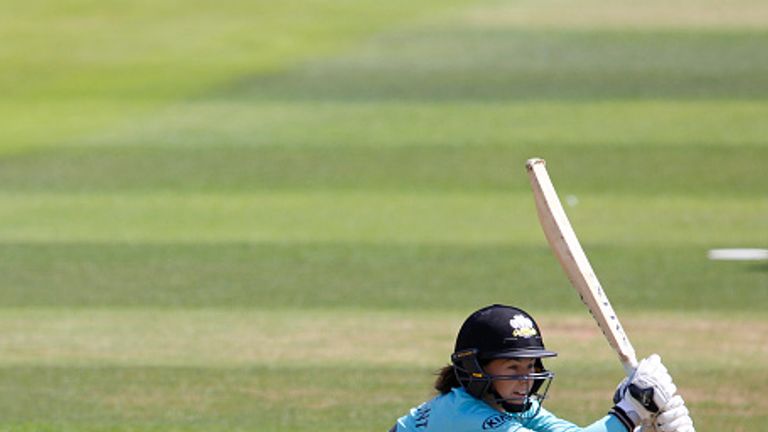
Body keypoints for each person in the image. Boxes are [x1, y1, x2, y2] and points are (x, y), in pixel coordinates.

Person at [390, 304, 694, 432]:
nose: (525, 379)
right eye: (512, 367)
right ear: (475, 368)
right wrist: (629, 411)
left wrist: (644, 422)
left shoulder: (517, 406)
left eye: (530, 365)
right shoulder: (462, 414)